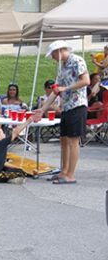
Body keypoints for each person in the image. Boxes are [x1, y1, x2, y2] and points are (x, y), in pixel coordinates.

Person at [33, 41, 90, 184]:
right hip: (67, 107)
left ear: (59, 51)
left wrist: (67, 88)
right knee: (63, 140)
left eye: (52, 54)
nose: (52, 57)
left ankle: (70, 174)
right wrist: (43, 108)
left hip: (77, 105)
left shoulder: (77, 60)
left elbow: (86, 81)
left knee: (73, 141)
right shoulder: (62, 66)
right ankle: (64, 171)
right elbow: (55, 91)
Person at [0, 117, 31, 183]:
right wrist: (28, 121)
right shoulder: (1, 143)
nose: (4, 134)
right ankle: (13, 179)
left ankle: (11, 177)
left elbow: (1, 162)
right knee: (22, 172)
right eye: (2, 133)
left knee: (14, 169)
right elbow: (15, 132)